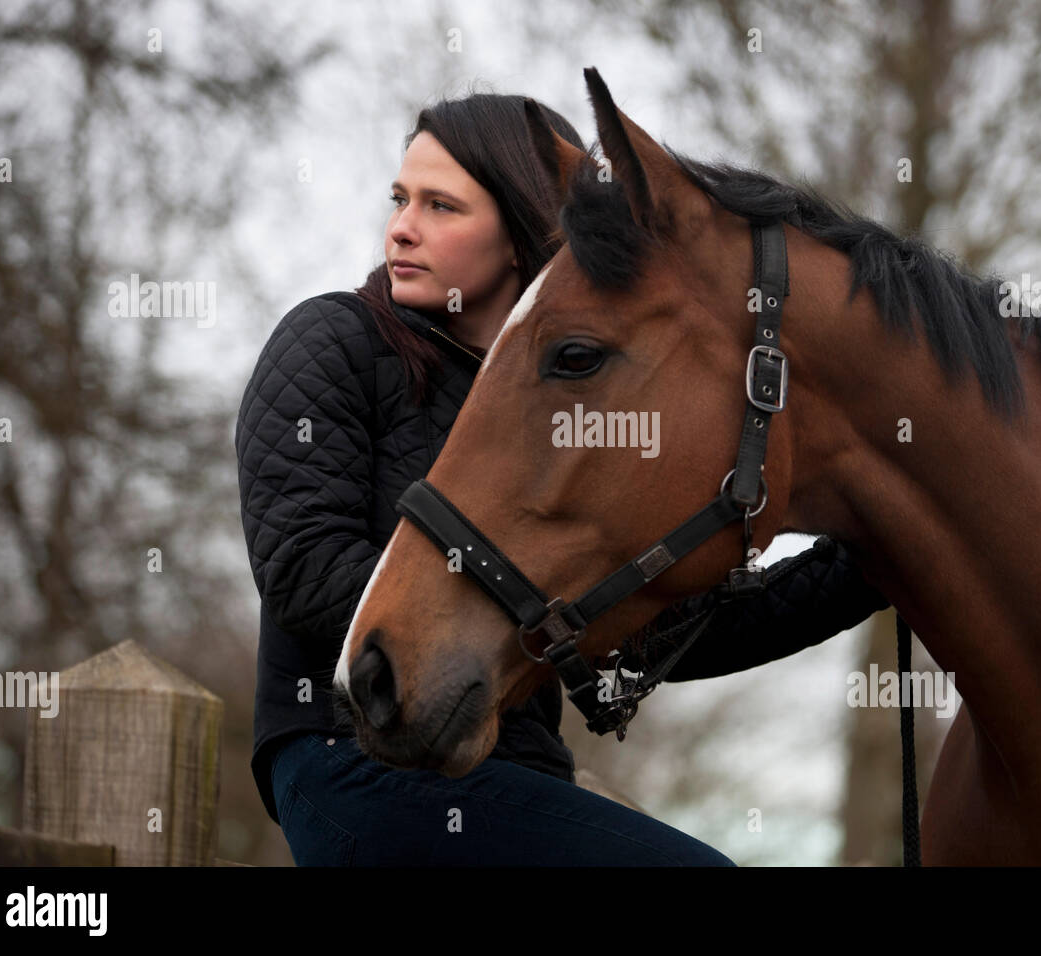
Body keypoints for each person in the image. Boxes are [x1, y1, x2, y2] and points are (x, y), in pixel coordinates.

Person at [234, 91, 888, 866]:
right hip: (350, 756)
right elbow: (301, 565)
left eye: (442, 205)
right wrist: (529, 613)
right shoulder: (335, 339)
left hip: (517, 779)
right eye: (401, 198)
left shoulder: (566, 400)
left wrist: (889, 548)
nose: (402, 227)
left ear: (520, 230)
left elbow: (681, 629)